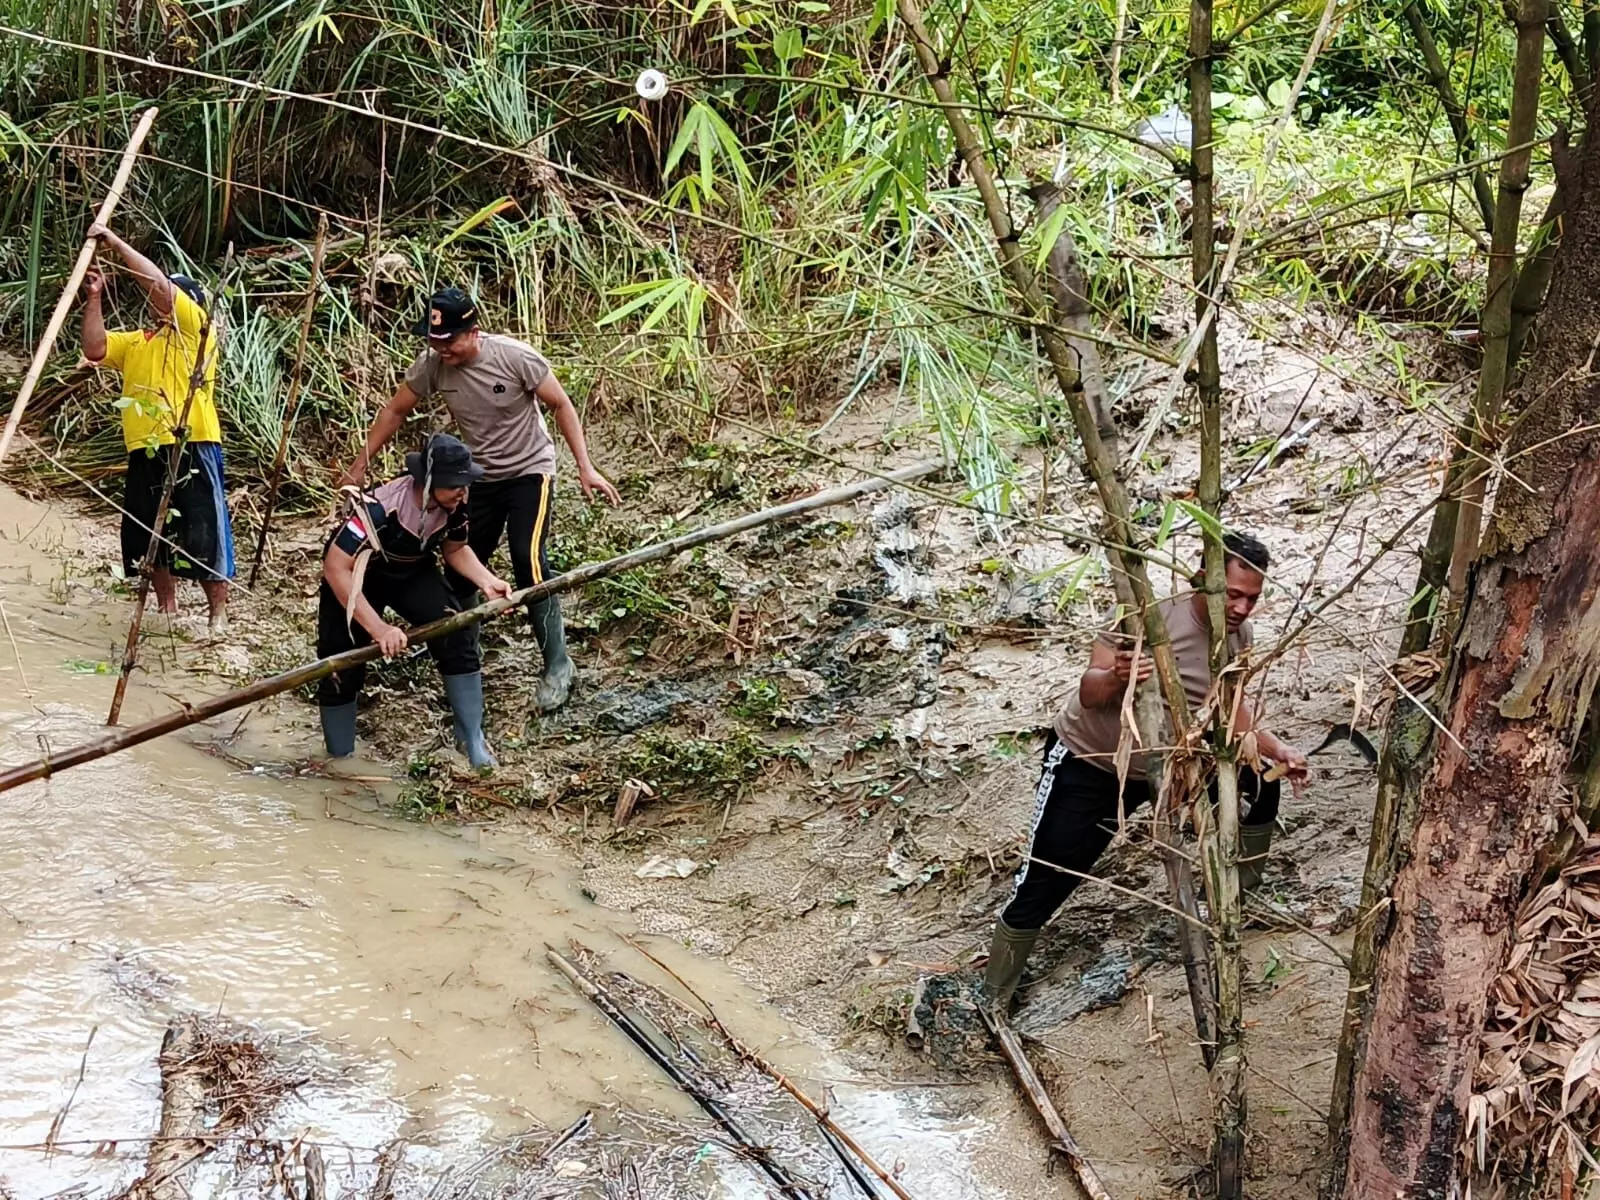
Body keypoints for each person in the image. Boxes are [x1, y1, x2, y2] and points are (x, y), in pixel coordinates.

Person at [984, 532, 1309, 1015]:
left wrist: (1276, 747)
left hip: (1170, 764)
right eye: (1232, 595)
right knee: (1048, 875)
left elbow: (1229, 706)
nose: (1241, 608)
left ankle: (1244, 897)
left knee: (1261, 779)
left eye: (1252, 598)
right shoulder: (1144, 615)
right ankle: (996, 993)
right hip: (1091, 764)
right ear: (1202, 579)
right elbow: (1090, 693)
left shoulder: (1238, 636)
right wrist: (1118, 675)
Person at [338, 288, 620, 714]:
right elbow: (395, 410)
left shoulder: (514, 357)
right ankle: (466, 652)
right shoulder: (433, 366)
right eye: (435, 341)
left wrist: (585, 466)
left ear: (474, 332)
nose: (442, 350)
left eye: (450, 340)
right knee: (464, 567)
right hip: (478, 479)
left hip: (530, 470)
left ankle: (557, 664)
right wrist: (360, 464)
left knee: (529, 561)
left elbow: (560, 403)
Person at [317, 433, 512, 768]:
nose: (463, 492)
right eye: (455, 485)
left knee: (456, 636)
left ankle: (473, 739)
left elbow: (455, 548)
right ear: (430, 481)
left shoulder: (457, 504)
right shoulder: (378, 509)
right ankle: (340, 758)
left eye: (465, 484)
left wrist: (489, 581)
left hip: (411, 572)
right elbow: (336, 567)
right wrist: (379, 629)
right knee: (340, 664)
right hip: (359, 578)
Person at [80, 221, 235, 635]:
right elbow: (95, 348)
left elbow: (159, 287)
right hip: (145, 448)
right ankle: (167, 608)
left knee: (202, 531)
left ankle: (216, 613)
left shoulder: (197, 330)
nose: (161, 302)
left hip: (191, 441)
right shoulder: (138, 341)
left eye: (171, 296)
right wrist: (93, 298)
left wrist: (115, 242)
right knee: (150, 534)